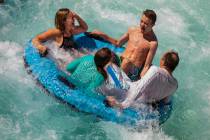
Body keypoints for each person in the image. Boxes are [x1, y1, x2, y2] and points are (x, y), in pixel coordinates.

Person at [91, 9, 158, 81]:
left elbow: (146, 66)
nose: (142, 25)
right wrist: (102, 34)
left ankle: (114, 82)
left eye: (146, 24)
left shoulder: (153, 43)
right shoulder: (132, 30)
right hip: (121, 61)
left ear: (152, 25)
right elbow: (118, 43)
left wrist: (141, 80)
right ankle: (96, 76)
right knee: (105, 55)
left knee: (126, 62)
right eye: (141, 21)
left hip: (132, 71)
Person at [105, 50, 179, 109]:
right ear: (175, 67)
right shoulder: (175, 85)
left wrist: (122, 105)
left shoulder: (156, 71)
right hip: (144, 105)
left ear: (162, 61)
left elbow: (140, 88)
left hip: (128, 93)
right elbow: (165, 101)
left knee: (110, 66)